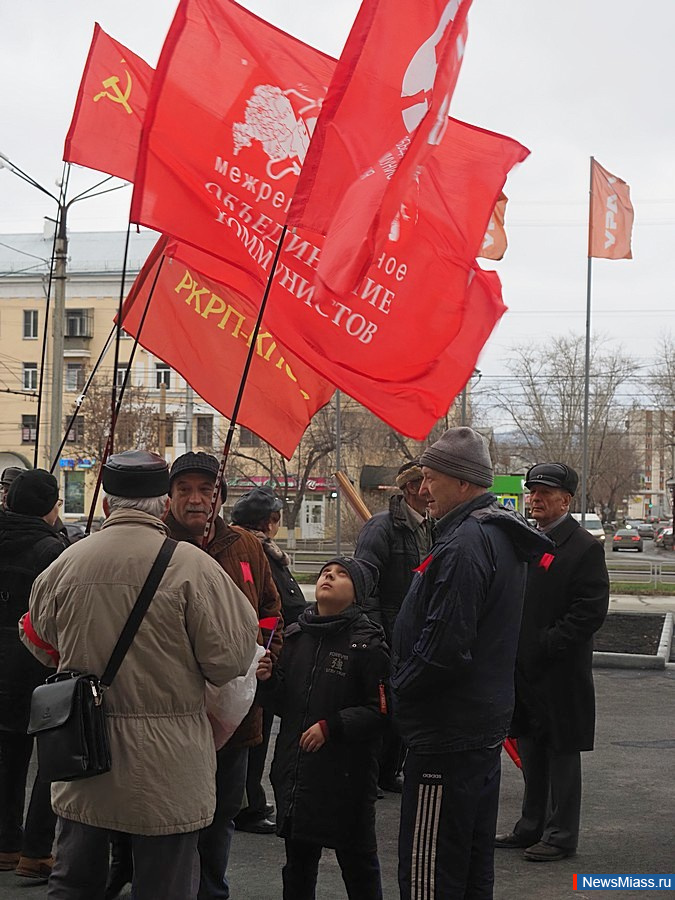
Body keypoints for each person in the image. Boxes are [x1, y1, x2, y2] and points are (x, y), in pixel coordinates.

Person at [20, 450, 258, 900]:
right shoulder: (193, 568)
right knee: (165, 886)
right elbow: (229, 661)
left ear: (107, 504)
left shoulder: (66, 563)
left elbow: (38, 637)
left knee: (74, 882)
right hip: (168, 767)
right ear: (163, 505)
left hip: (84, 756)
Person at [391, 427, 551, 900]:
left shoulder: (464, 545)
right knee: (472, 865)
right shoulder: (495, 536)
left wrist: (397, 689)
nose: (423, 490)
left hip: (445, 733)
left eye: (429, 478)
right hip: (477, 728)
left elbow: (444, 649)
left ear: (462, 483)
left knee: (428, 873)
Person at [165, 452, 283, 900]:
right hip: (172, 715)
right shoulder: (158, 543)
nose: (196, 500)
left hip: (236, 718)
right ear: (170, 496)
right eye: (185, 491)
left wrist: (268, 657)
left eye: (206, 490)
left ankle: (212, 890)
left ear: (220, 496)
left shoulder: (246, 547)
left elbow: (271, 613)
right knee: (170, 817)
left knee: (220, 815)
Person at [495, 463, 609, 862]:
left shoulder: (584, 547)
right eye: (532, 491)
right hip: (524, 672)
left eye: (545, 492)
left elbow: (589, 612)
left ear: (567, 500)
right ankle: (531, 825)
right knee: (531, 752)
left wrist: (545, 644)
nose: (536, 498)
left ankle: (561, 835)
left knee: (561, 754)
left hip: (559, 674)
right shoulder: (528, 541)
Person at [257, 556, 389, 900]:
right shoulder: (297, 636)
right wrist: (269, 682)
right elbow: (283, 705)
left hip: (346, 779)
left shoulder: (367, 642)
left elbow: (381, 712)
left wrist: (332, 726)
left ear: (357, 592)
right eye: (325, 573)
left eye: (341, 575)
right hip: (298, 773)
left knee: (358, 866)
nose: (329, 577)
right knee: (298, 869)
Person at [0, 469, 67, 880]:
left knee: (6, 756)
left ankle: (5, 843)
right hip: (36, 662)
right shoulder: (51, 550)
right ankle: (37, 851)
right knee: (50, 759)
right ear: (50, 507)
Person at [230, 486, 307, 834]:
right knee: (253, 735)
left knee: (256, 732)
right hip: (260, 657)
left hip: (266, 653)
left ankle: (251, 799)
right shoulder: (256, 554)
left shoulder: (259, 552)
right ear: (271, 522)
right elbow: (271, 609)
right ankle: (247, 805)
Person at [354, 458, 434, 793]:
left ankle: (390, 771)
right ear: (410, 487)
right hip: (387, 634)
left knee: (404, 706)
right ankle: (370, 776)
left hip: (415, 635)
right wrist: (376, 635)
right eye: (425, 481)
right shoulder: (381, 527)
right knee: (380, 708)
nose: (430, 489)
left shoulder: (432, 527)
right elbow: (363, 583)